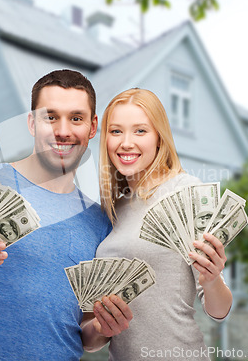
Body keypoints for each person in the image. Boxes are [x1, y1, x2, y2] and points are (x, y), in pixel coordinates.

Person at [0, 70, 132, 361]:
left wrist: (102, 327)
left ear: (92, 126)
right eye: (50, 117)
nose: (63, 130)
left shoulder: (98, 222)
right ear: (32, 123)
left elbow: (85, 335)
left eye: (76, 118)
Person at [94, 88, 233, 360]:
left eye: (140, 131)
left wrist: (213, 279)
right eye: (116, 131)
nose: (126, 143)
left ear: (159, 138)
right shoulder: (114, 208)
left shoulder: (186, 192)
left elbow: (219, 311)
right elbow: (97, 332)